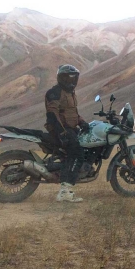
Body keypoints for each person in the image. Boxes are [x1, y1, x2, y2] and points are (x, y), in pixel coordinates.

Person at [44, 64, 89, 203]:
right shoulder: (55, 92)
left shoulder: (70, 93)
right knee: (77, 154)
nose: (71, 81)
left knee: (81, 150)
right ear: (61, 78)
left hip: (70, 129)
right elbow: (52, 114)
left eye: (73, 78)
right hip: (61, 130)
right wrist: (62, 133)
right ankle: (65, 192)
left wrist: (82, 122)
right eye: (68, 78)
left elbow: (71, 112)